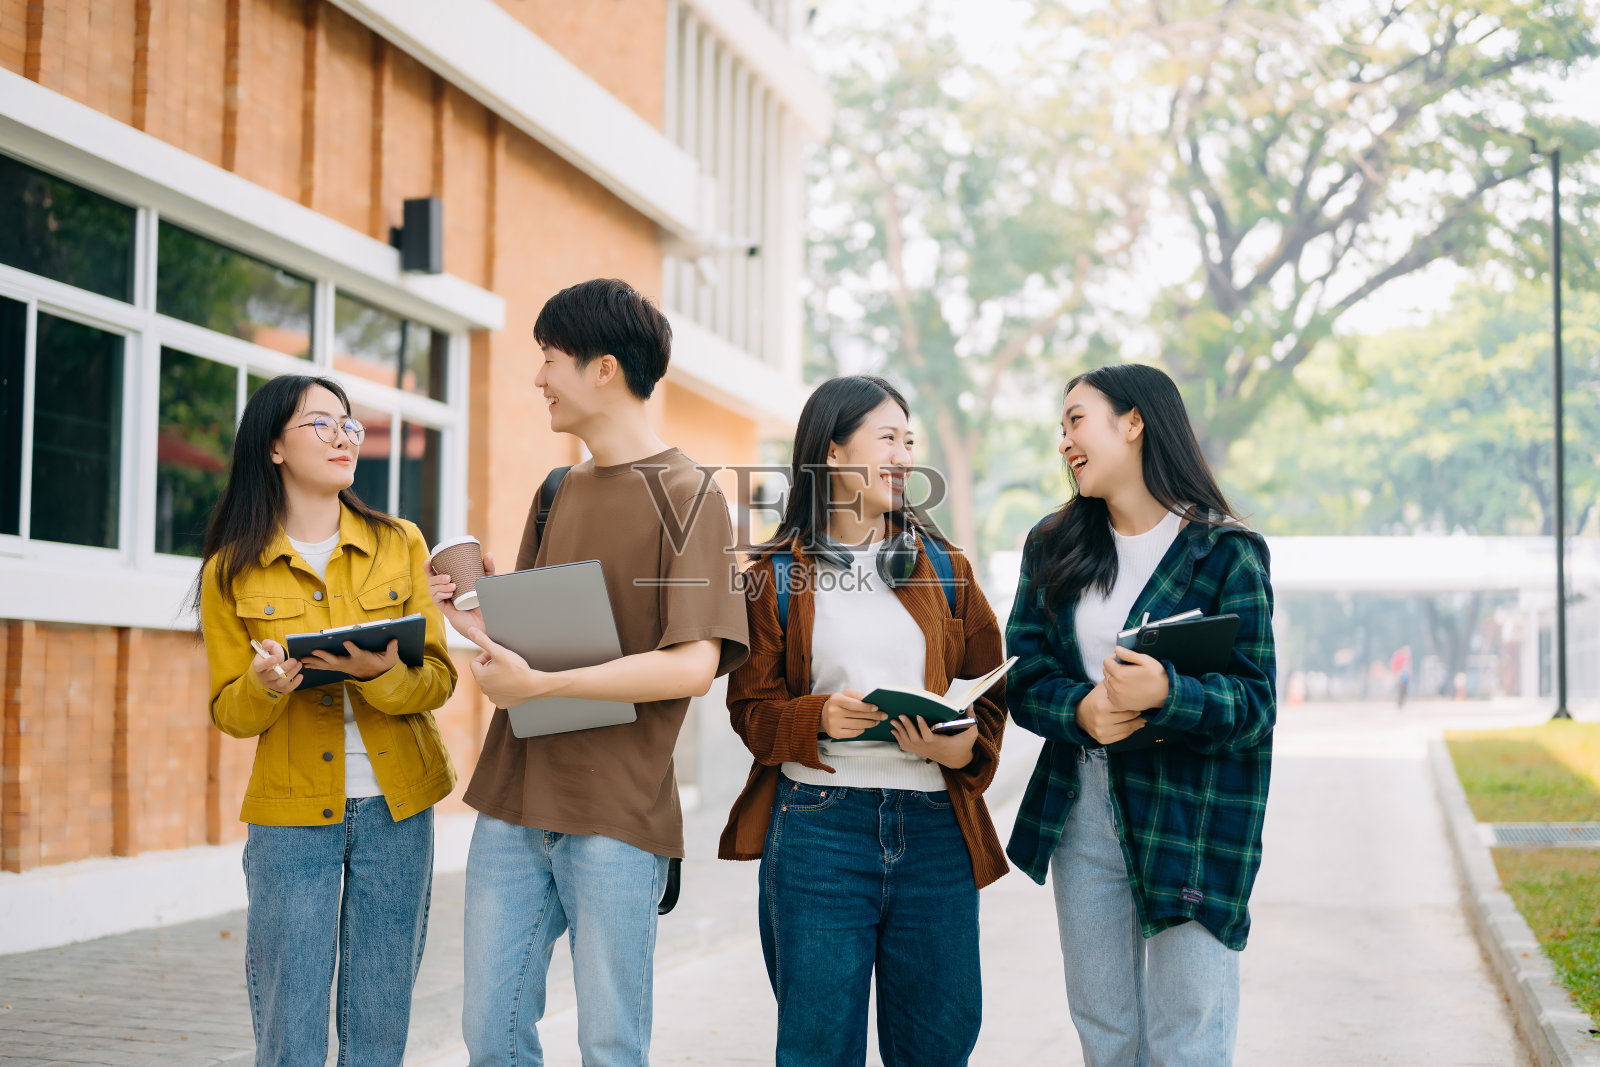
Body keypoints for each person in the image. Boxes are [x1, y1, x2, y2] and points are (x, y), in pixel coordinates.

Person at [427, 278, 750, 1067]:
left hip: (617, 816)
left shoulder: (693, 495)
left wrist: (542, 686)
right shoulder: (555, 489)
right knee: (489, 1034)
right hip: (512, 802)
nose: (538, 377)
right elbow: (532, 651)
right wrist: (474, 620)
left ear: (604, 367)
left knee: (610, 1044)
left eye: (550, 357)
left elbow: (693, 665)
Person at [718, 375, 1009, 1067]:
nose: (905, 454)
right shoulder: (773, 577)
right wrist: (820, 717)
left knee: (937, 1050)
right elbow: (751, 711)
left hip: (937, 831)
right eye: (888, 437)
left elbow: (995, 683)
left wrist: (967, 745)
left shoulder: (947, 568)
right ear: (833, 451)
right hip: (820, 832)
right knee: (818, 1049)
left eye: (910, 440)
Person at [1005, 363, 1275, 1067]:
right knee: (1107, 1029)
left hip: (1194, 808)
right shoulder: (1054, 543)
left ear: (1134, 422)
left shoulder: (1225, 553)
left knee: (1190, 1033)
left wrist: (1168, 693)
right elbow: (1025, 672)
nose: (1064, 440)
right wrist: (1084, 709)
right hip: (1083, 803)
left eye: (1076, 420)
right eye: (1060, 427)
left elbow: (1255, 702)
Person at [195, 374, 458, 1067]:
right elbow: (229, 708)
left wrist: (382, 675)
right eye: (322, 424)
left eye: (349, 423)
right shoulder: (231, 570)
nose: (345, 436)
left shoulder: (399, 541)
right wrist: (265, 684)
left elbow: (438, 678)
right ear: (274, 447)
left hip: (397, 807)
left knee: (378, 1021)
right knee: (291, 1025)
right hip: (289, 816)